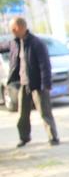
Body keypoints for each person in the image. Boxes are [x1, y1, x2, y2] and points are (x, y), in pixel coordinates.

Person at [0, 17, 60, 147]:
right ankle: (24, 137)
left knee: (45, 112)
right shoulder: (15, 43)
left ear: (20, 27)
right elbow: (2, 47)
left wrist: (46, 84)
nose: (12, 32)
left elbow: (45, 65)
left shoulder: (36, 43)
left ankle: (53, 137)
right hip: (23, 84)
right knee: (22, 114)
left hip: (38, 84)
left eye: (13, 29)